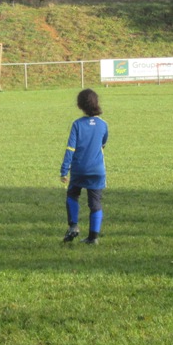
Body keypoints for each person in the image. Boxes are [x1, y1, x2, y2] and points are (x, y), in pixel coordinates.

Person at [60, 88, 109, 245]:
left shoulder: (77, 125)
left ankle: (73, 226)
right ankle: (93, 238)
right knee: (95, 203)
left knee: (73, 194)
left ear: (79, 105)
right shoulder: (103, 125)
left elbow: (70, 149)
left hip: (79, 169)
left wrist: (64, 170)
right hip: (97, 171)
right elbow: (103, 144)